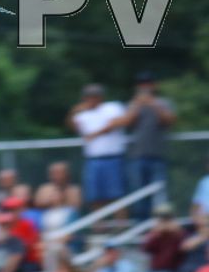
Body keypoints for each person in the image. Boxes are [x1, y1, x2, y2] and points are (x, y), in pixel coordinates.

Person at [121, 73, 176, 218]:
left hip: (158, 156)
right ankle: (141, 228)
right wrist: (137, 105)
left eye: (148, 83)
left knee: (159, 196)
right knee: (139, 195)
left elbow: (169, 121)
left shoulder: (163, 103)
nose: (145, 87)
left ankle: (159, 227)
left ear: (154, 85)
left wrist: (153, 103)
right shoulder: (133, 104)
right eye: (142, 84)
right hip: (137, 156)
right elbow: (126, 123)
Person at [69, 83, 128, 210]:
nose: (90, 99)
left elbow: (117, 123)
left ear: (100, 97)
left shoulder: (112, 107)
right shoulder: (83, 114)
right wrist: (73, 111)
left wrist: (95, 134)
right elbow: (73, 127)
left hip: (113, 157)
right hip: (93, 159)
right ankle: (99, 228)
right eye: (88, 96)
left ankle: (121, 225)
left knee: (117, 194)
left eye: (94, 96)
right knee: (94, 196)